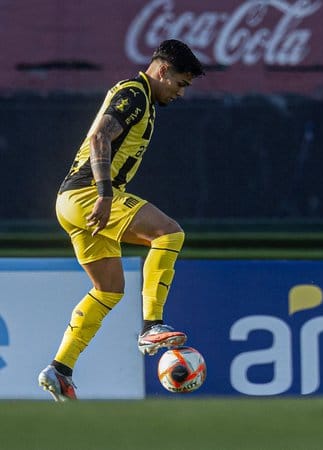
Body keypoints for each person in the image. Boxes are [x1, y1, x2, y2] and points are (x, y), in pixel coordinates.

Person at [38, 39, 205, 401]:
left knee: (109, 289)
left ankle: (60, 369)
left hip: (70, 202)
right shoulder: (135, 94)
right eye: (180, 83)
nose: (180, 93)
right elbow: (100, 136)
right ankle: (152, 325)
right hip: (89, 195)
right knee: (169, 233)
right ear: (163, 70)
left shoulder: (141, 99)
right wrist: (104, 194)